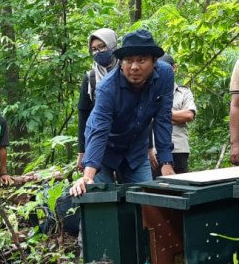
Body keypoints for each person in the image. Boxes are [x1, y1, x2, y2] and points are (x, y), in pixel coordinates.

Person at [70, 29, 175, 197]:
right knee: (102, 201)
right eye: (128, 60)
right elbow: (99, 130)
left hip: (136, 150)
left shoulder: (165, 75)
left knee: (145, 202)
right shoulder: (107, 88)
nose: (134, 67)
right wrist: (88, 176)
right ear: (120, 62)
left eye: (141, 60)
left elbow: (162, 118)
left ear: (154, 61)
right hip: (104, 150)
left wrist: (166, 162)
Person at [77, 28, 119, 171]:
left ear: (113, 45)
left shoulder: (127, 72)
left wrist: (149, 147)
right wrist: (82, 151)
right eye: (94, 49)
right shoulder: (91, 78)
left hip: (127, 142)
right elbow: (84, 115)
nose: (98, 52)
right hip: (99, 142)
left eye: (102, 47)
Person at [153, 54, 196, 174]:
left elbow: (189, 115)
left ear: (174, 68)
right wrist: (176, 116)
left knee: (181, 187)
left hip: (179, 149)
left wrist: (158, 116)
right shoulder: (150, 92)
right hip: (155, 151)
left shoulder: (184, 92)